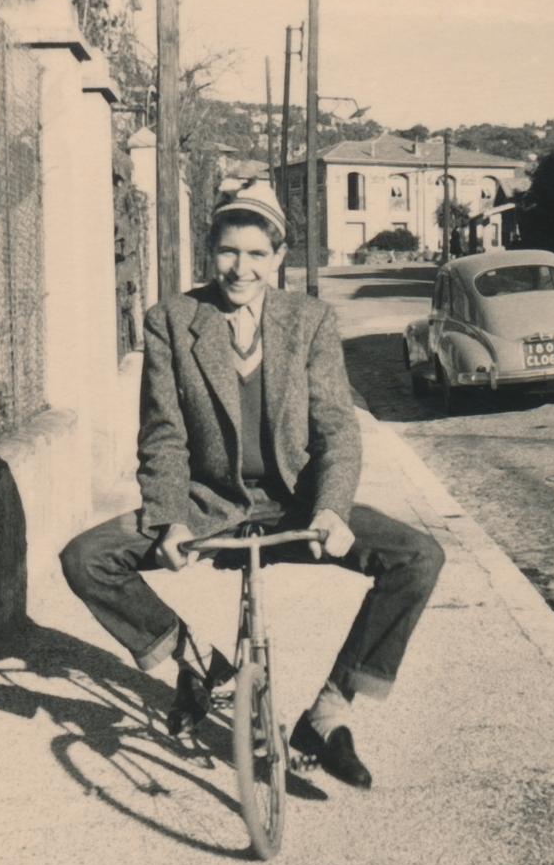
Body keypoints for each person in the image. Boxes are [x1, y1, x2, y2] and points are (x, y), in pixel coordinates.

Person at [60, 179, 444, 790]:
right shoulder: (172, 320)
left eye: (257, 254)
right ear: (210, 252)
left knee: (418, 557)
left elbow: (335, 430)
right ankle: (195, 665)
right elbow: (163, 435)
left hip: (294, 506)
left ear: (279, 257)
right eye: (229, 252)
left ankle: (329, 713)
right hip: (206, 506)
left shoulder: (310, 320)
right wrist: (169, 520)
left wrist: (332, 510)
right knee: (86, 558)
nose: (241, 268)